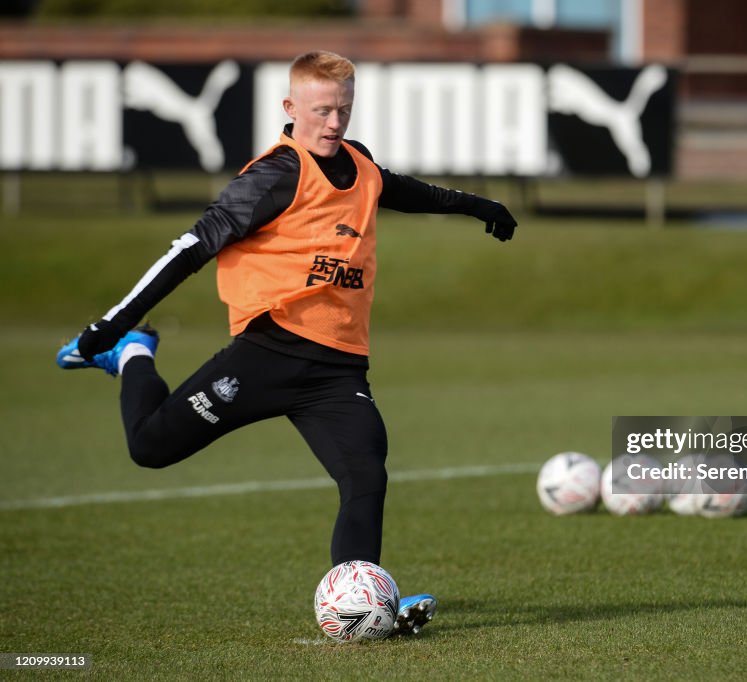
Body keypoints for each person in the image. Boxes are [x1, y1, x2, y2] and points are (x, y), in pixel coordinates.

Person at [56, 50, 517, 637]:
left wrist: (478, 206)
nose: (333, 123)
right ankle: (134, 355)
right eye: (321, 110)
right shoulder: (274, 175)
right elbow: (189, 249)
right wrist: (112, 327)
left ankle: (359, 608)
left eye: (343, 110)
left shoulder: (360, 165)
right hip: (268, 354)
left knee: (366, 476)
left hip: (338, 371)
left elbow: (398, 189)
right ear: (290, 108)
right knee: (150, 447)